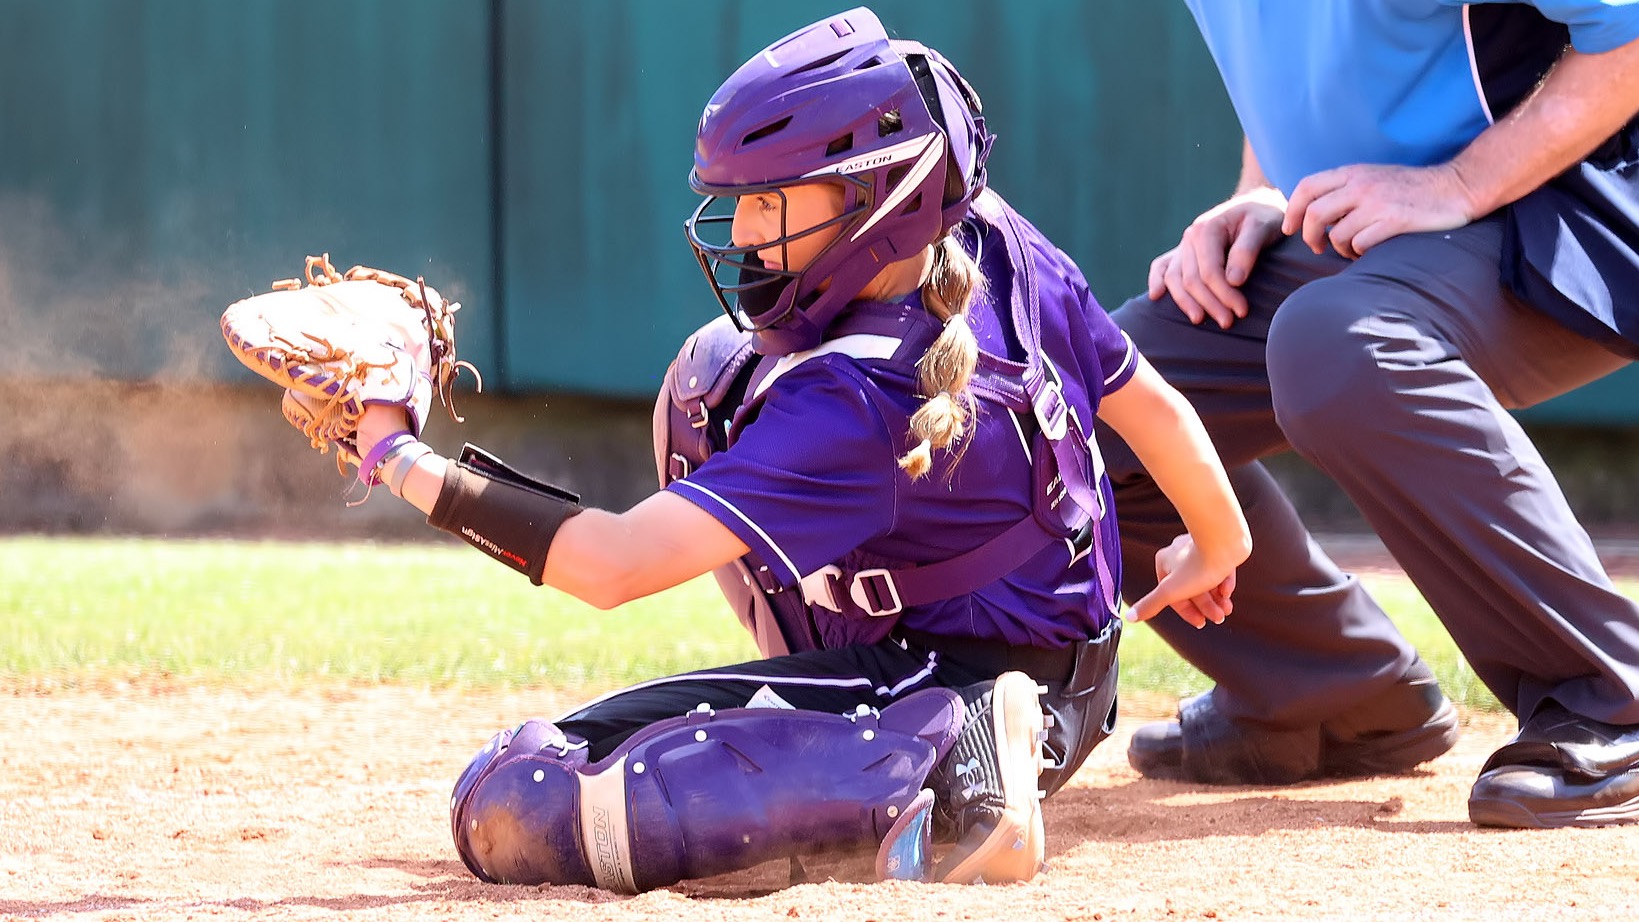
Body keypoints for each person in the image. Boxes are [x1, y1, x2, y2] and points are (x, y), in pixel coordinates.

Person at [340, 7, 1250, 891]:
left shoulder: (852, 395)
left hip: (968, 677)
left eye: (770, 202)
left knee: (516, 794)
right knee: (716, 380)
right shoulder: (990, 235)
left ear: (877, 199)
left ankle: (941, 767)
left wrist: (391, 450)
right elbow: (1154, 410)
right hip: (1069, 668)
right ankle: (943, 735)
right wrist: (1217, 541)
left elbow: (609, 566)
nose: (740, 233)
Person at [1104, 0, 1639, 827]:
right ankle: (1331, 696)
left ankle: (1611, 696)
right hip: (1367, 229)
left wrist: (1458, 184)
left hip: (1576, 206)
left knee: (1339, 347)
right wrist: (1259, 192)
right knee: (1077, 405)